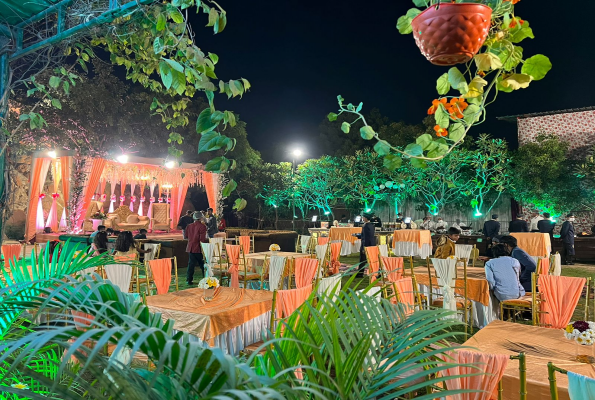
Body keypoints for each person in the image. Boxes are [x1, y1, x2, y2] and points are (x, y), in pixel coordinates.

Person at [185, 211, 208, 284]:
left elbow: (186, 236)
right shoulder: (202, 226)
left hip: (190, 247)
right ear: (201, 218)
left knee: (191, 264)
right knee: (203, 265)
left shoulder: (189, 226)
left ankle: (189, 279)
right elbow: (202, 239)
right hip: (198, 248)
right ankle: (206, 279)